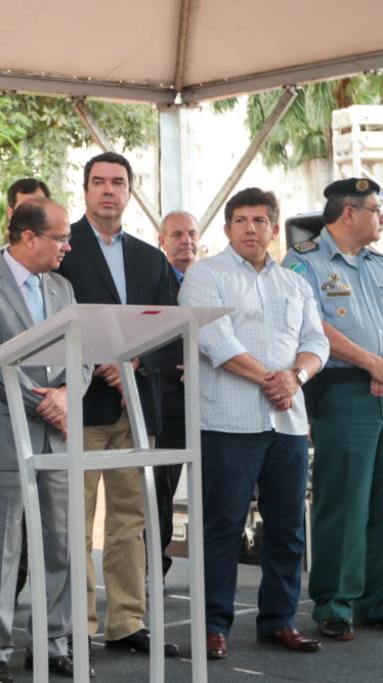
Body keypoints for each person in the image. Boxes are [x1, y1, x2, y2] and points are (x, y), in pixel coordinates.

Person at [179, 187, 328, 660]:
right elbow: (213, 340)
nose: (250, 228)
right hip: (227, 421)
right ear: (226, 229)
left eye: (259, 220)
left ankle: (279, 621)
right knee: (222, 525)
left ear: (272, 228)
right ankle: (212, 626)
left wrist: (297, 376)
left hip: (286, 424)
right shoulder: (205, 275)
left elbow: (317, 343)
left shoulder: (295, 284)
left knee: (287, 528)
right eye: (240, 220)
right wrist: (274, 379)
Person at [0, 200, 91, 682]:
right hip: (4, 432)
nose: (67, 246)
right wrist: (47, 402)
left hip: (58, 434)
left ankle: (53, 642)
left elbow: (83, 352)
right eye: (60, 238)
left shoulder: (63, 286)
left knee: (60, 544)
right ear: (29, 237)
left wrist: (67, 393)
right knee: (2, 547)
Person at [56, 151, 177, 656]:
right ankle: (79, 627)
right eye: (99, 182)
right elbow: (47, 320)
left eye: (118, 183)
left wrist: (135, 364)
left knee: (132, 521)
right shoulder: (63, 249)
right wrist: (101, 360)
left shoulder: (152, 259)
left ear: (130, 192)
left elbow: (172, 328)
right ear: (85, 191)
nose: (108, 191)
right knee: (76, 524)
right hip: (80, 405)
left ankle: (127, 622)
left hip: (136, 404)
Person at [282, 177, 383, 640]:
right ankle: (334, 604)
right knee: (342, 500)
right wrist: (371, 363)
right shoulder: (304, 262)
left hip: (380, 387)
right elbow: (313, 324)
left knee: (380, 501)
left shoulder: (376, 263)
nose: (379, 219)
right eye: (374, 211)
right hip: (344, 390)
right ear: (349, 214)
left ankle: (375, 601)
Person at [153, 210, 200, 576]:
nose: (186, 241)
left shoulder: (209, 280)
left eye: (192, 234)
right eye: (178, 234)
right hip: (167, 401)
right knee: (160, 493)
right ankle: (156, 566)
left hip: (209, 402)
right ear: (162, 241)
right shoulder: (154, 280)